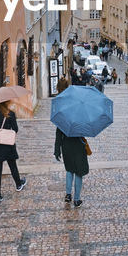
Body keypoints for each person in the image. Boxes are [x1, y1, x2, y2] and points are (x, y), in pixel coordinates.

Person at [53, 78, 90, 208]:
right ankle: (77, 199)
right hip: (78, 143)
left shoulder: (60, 106)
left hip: (66, 144)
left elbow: (59, 131)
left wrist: (57, 149)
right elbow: (84, 124)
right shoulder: (76, 102)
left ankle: (68, 194)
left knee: (69, 170)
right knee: (79, 171)